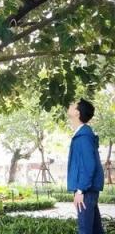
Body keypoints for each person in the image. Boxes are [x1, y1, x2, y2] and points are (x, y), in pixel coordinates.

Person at [67, 98, 105, 234]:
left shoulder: (83, 136)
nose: (69, 105)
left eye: (73, 105)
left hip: (86, 190)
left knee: (85, 229)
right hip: (88, 189)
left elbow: (89, 166)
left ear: (77, 113)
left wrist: (80, 190)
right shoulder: (83, 134)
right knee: (95, 229)